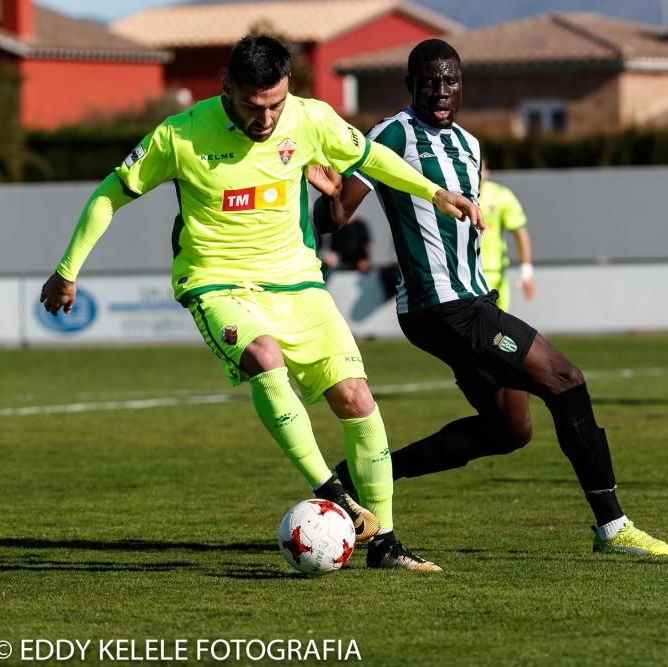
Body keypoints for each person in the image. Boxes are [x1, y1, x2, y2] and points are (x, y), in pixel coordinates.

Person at [39, 35, 482, 571]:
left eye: (276, 103)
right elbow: (112, 191)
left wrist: (436, 193)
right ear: (226, 88)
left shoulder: (310, 118)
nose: (268, 118)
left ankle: (385, 544)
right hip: (216, 284)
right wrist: (67, 271)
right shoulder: (180, 135)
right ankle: (333, 492)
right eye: (254, 105)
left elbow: (373, 157)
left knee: (356, 398)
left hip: (298, 284)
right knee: (265, 357)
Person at [310, 39, 668, 557]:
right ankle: (613, 528)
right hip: (442, 307)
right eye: (430, 81)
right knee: (566, 380)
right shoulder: (389, 135)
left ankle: (358, 479)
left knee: (510, 429)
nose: (441, 91)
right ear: (411, 85)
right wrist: (328, 202)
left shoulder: (470, 144)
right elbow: (334, 217)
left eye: (451, 81)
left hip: (475, 301)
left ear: (462, 85)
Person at [478, 160, 534, 312]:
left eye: (480, 168)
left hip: (497, 272)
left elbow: (520, 232)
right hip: (468, 274)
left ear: (487, 171)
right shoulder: (454, 196)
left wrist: (526, 272)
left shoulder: (500, 196)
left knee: (501, 329)